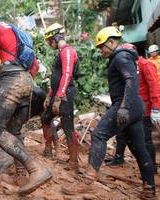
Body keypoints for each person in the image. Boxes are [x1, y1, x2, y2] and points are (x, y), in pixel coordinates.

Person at [63, 26, 156, 199]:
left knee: (98, 135)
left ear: (112, 42)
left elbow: (131, 80)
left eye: (102, 46)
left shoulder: (120, 57)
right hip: (134, 106)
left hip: (126, 104)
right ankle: (149, 188)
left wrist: (124, 107)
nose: (101, 51)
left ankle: (88, 183)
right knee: (138, 148)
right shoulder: (123, 57)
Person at [0, 16, 52, 195]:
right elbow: (35, 67)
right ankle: (21, 176)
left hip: (12, 81)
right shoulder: (19, 34)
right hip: (28, 83)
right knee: (14, 131)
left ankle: (35, 169)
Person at [105, 44, 160, 175]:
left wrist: (156, 108)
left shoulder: (145, 65)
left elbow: (154, 86)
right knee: (122, 133)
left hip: (144, 108)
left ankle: (151, 168)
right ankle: (118, 158)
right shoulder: (127, 64)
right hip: (129, 106)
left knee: (146, 139)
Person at [41, 23, 79, 172]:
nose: (49, 44)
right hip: (58, 93)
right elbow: (56, 78)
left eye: (49, 40)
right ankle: (48, 149)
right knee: (45, 117)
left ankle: (74, 162)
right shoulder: (61, 51)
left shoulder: (67, 51)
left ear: (55, 38)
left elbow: (67, 75)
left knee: (68, 125)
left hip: (65, 94)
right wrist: (50, 95)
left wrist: (59, 97)